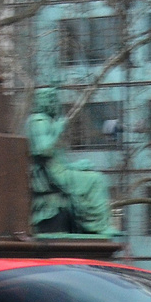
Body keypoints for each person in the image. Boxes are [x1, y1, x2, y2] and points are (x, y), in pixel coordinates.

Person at [26, 87, 115, 235]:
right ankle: (97, 226)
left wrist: (75, 166)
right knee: (97, 180)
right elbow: (43, 150)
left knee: (91, 174)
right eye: (53, 101)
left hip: (58, 170)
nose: (56, 104)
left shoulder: (44, 120)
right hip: (54, 177)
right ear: (46, 102)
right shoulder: (39, 121)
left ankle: (93, 224)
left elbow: (55, 159)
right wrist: (57, 130)